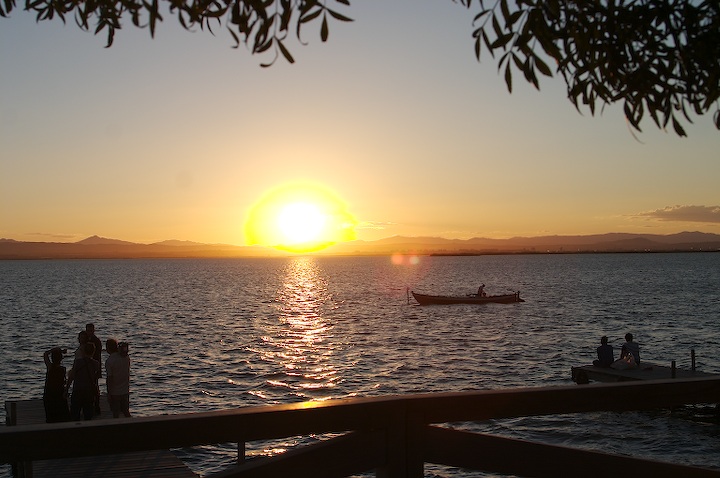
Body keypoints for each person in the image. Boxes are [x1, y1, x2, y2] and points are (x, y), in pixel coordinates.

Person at [67, 342, 101, 421]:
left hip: (77, 390)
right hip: (89, 391)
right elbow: (94, 378)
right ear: (93, 352)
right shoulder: (96, 364)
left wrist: (66, 389)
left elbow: (71, 377)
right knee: (88, 415)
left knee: (75, 414)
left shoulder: (77, 362)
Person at [105, 339, 131, 418]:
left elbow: (109, 378)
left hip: (115, 392)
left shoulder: (109, 361)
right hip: (125, 390)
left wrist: (109, 393)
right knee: (126, 412)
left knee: (116, 413)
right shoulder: (126, 358)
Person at [43, 347, 70, 423]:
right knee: (63, 417)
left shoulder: (50, 367)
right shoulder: (63, 369)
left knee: (51, 418)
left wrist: (56, 350)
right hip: (59, 394)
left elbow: (45, 354)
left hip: (49, 394)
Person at [86, 323, 103, 414]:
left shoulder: (96, 341)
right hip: (88, 366)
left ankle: (96, 405)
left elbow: (97, 355)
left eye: (91, 331)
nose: (89, 332)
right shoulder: (86, 340)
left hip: (94, 366)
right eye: (88, 331)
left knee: (95, 385)